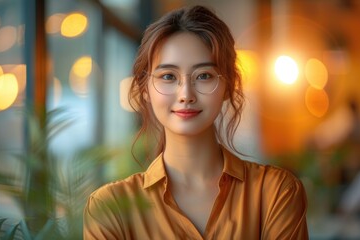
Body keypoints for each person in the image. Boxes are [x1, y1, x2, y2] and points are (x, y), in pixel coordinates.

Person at [83, 5, 308, 239]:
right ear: (145, 89)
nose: (186, 94)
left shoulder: (276, 192)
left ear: (229, 86)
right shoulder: (110, 208)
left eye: (203, 76)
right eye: (168, 76)